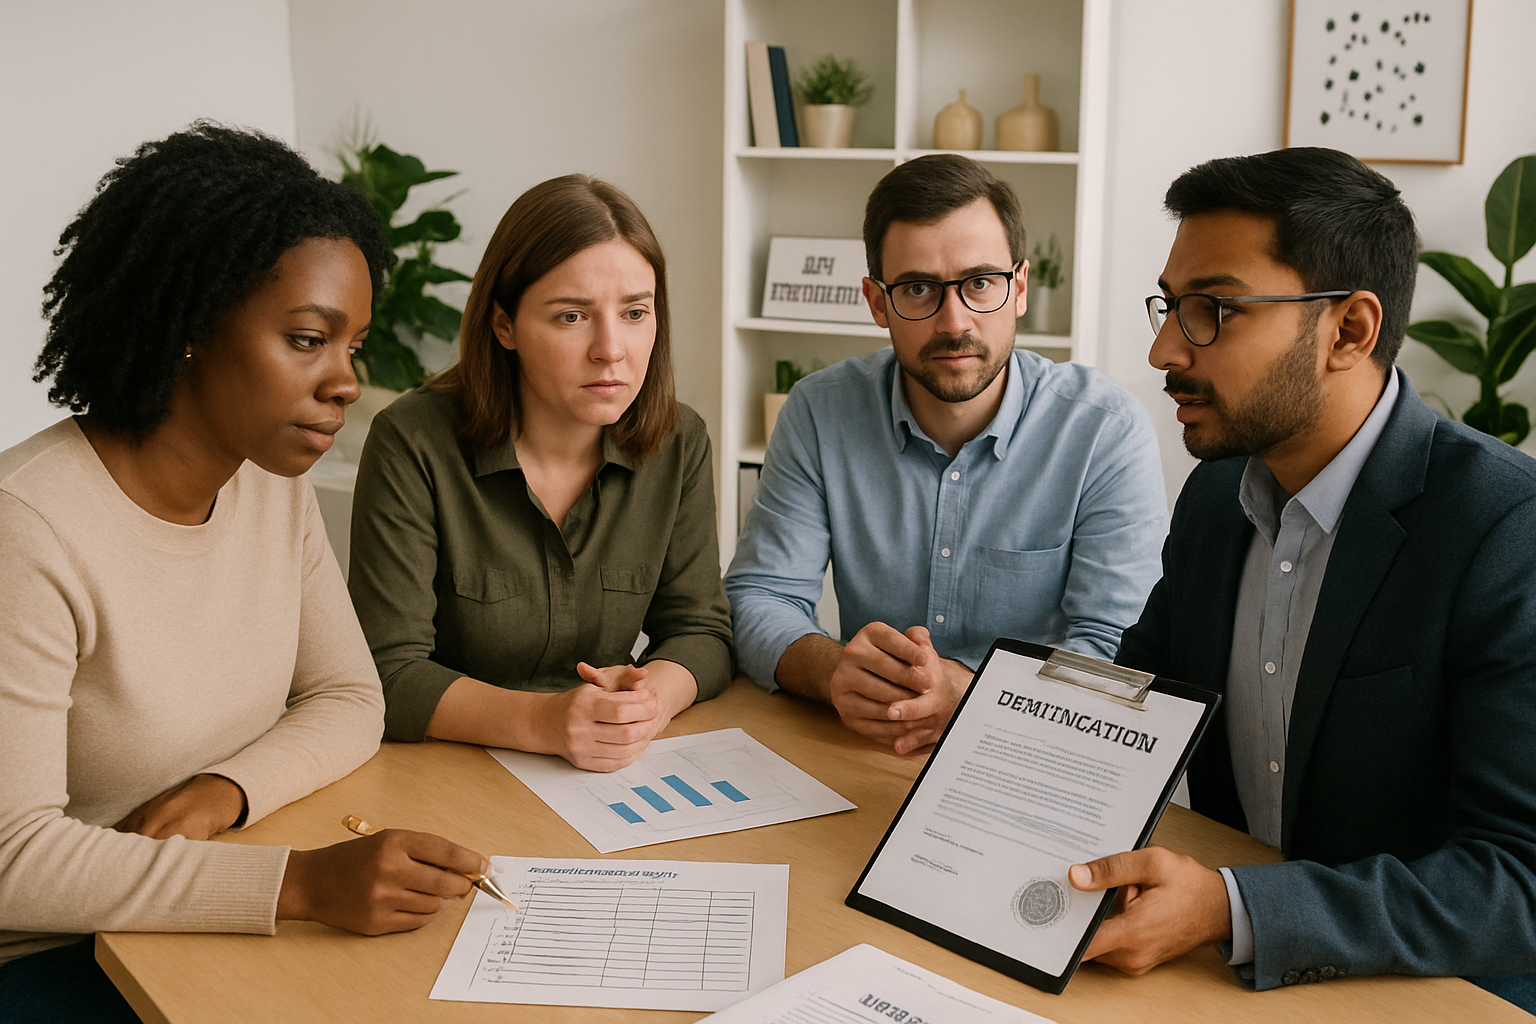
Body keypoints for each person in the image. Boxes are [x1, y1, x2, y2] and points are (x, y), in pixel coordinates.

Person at [0, 124, 492, 1023]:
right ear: (188, 326)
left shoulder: (266, 485)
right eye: (308, 339)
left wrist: (229, 791)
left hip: (188, 912)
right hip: (47, 957)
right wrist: (298, 885)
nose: (345, 380)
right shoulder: (26, 529)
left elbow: (348, 696)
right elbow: (15, 862)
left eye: (353, 346)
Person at [1067, 147, 1536, 1010]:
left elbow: (1519, 880)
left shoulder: (1506, 531)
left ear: (1349, 331)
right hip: (1222, 980)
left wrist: (1234, 906)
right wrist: (985, 707)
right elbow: (1135, 694)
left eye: (1212, 309)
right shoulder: (1218, 496)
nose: (1165, 347)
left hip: (1430, 996)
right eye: (1171, 306)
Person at [725, 154, 1167, 755]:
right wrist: (832, 671)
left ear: (1019, 289)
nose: (953, 321)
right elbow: (760, 597)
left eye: (979, 283)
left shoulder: (1103, 432)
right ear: (877, 303)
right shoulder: (819, 412)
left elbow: (1121, 653)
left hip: (1037, 755)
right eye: (917, 289)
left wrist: (975, 697)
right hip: (869, 747)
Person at [347, 174, 732, 773]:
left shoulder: (682, 441)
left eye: (635, 312)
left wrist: (647, 703)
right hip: (441, 772)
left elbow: (700, 630)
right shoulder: (412, 440)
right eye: (572, 316)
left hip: (605, 779)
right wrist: (545, 723)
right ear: (504, 326)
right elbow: (387, 671)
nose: (612, 349)